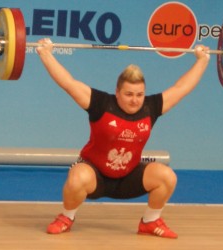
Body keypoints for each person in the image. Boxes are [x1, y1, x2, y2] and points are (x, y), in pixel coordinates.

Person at [35, 38, 210, 239]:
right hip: (95, 174)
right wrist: (46, 54)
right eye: (128, 94)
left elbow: (181, 88)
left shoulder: (151, 107)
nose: (135, 100)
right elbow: (68, 82)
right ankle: (67, 217)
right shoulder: (100, 103)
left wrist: (202, 60)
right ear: (117, 92)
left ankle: (150, 221)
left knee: (167, 176)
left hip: (129, 176)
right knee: (77, 178)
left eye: (139, 94)